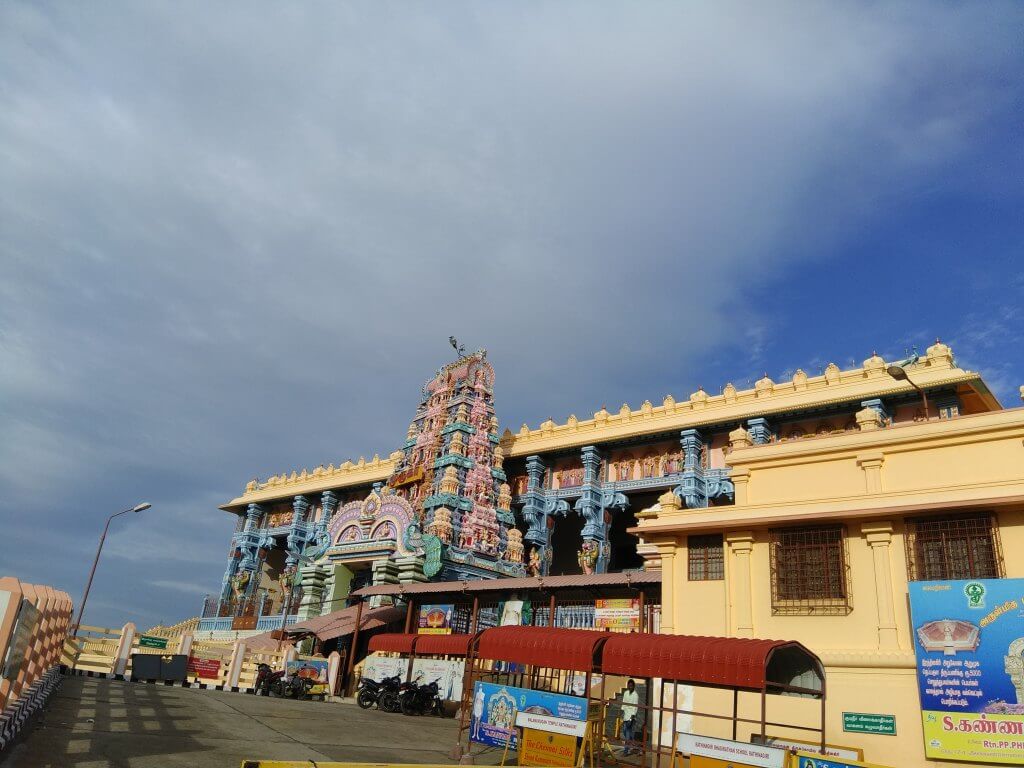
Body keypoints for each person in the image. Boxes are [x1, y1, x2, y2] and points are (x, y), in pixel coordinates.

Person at [620, 679, 640, 756]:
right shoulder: (625, 693)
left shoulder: (635, 695)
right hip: (625, 716)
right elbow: (623, 704)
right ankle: (638, 747)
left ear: (633, 686)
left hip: (632, 717)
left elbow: (635, 708)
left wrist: (631, 718)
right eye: (629, 685)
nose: (630, 687)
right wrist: (621, 713)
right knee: (626, 732)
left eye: (631, 685)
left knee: (628, 733)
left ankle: (626, 751)